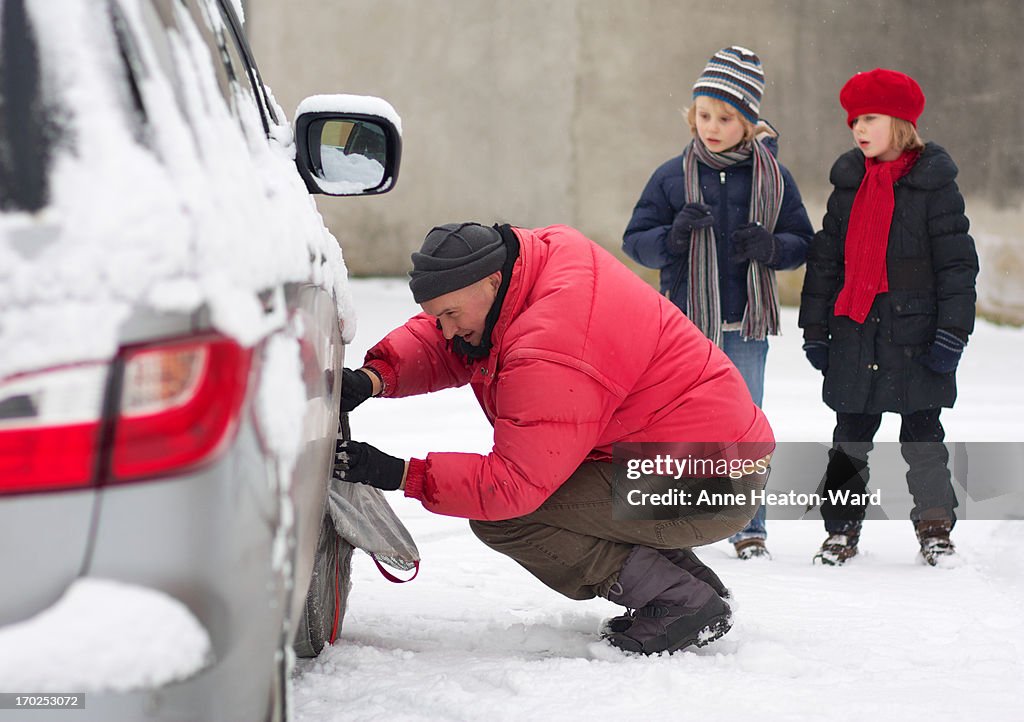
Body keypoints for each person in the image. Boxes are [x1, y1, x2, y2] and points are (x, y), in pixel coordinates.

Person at [333, 221, 774, 655]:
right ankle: (688, 587)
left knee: (507, 518)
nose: (446, 329)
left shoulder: (551, 344)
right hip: (711, 460)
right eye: (437, 315)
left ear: (492, 279)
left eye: (451, 314)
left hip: (708, 484)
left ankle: (682, 601)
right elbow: (448, 341)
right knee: (556, 481)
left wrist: (397, 472)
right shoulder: (539, 264)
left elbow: (512, 485)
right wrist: (373, 378)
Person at [622, 46, 813, 560]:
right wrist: (675, 237)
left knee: (745, 425)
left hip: (745, 327)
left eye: (725, 117)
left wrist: (771, 247)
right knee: (677, 425)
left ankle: (750, 528)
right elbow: (635, 240)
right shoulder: (670, 176)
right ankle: (671, 519)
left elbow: (803, 241)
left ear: (748, 122)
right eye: (703, 114)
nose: (711, 125)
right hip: (686, 327)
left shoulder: (773, 178)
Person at [799, 68, 979, 566]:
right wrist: (815, 330)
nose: (858, 128)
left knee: (923, 438)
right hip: (855, 334)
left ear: (900, 122)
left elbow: (958, 266)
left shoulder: (934, 187)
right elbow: (826, 263)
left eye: (870, 118)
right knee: (849, 440)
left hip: (915, 335)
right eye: (853, 119)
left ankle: (935, 528)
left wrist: (951, 334)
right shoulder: (848, 186)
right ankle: (840, 532)